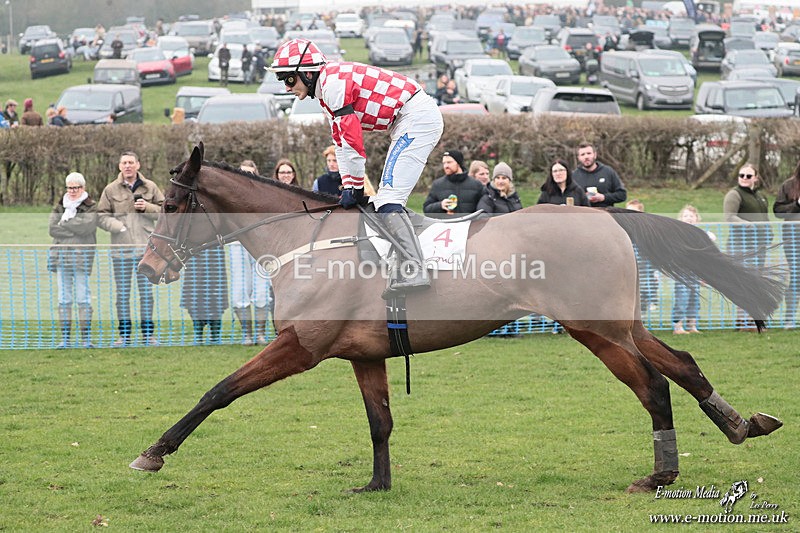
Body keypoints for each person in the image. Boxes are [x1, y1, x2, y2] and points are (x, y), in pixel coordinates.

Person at [270, 38, 443, 297]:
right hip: (408, 119)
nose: (286, 87)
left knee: (388, 200)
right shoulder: (326, 92)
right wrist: (349, 186)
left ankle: (415, 268)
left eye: (288, 79)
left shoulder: (332, 84)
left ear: (307, 73)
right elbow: (340, 144)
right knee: (385, 200)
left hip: (416, 118)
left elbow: (353, 142)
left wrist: (357, 187)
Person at [97, 151, 165, 346]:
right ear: (120, 167)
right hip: (121, 252)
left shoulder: (150, 187)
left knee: (146, 294)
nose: (127, 166)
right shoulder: (110, 190)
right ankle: (124, 335)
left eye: (131, 163)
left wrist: (148, 208)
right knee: (123, 295)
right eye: (124, 163)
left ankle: (148, 335)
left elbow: (166, 211)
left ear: (138, 165)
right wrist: (117, 227)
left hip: (147, 252)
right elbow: (100, 216)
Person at [48, 172, 97, 349]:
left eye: (76, 187)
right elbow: (52, 228)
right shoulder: (60, 205)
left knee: (83, 298)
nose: (72, 191)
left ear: (82, 188)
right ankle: (66, 339)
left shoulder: (91, 206)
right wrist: (73, 228)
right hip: (61, 258)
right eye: (70, 187)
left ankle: (85, 338)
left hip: (81, 258)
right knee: (64, 298)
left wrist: (65, 225)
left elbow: (87, 227)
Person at [723, 162, 772, 330]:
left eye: (748, 176)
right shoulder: (734, 194)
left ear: (755, 178)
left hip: (759, 246)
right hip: (741, 246)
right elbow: (729, 218)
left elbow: (765, 218)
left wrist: (769, 233)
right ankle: (743, 321)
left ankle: (754, 320)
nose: (744, 178)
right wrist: (748, 224)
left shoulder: (760, 196)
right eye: (741, 175)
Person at [229, 160, 272, 345]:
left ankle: (261, 334)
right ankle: (247, 334)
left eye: (250, 172)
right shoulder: (230, 196)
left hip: (261, 247)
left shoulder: (264, 194)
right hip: (238, 246)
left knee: (262, 292)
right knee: (239, 292)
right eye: (243, 172)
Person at [672, 205, 715, 334]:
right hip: (682, 273)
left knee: (694, 300)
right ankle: (678, 326)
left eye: (691, 216)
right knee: (682, 300)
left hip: (696, 273)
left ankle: (692, 325)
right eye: (685, 216)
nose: (688, 218)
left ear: (697, 219)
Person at [181, 247, 229, 344]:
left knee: (217, 295)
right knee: (194, 295)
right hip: (194, 252)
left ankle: (215, 335)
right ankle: (198, 335)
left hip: (214, 254)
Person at [773, 160, 800, 328]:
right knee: (796, 276)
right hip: (794, 238)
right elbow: (778, 210)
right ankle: (789, 318)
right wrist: (797, 205)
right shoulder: (789, 185)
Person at [423, 150, 484, 217]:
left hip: (470, 226)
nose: (446, 166)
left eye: (449, 162)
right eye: (444, 163)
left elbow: (483, 210)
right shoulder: (438, 185)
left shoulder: (476, 185)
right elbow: (426, 210)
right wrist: (440, 205)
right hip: (446, 226)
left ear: (458, 163)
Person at [626, 199, 659, 313]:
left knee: (646, 285)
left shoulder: (645, 228)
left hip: (644, 263)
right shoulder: (624, 226)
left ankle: (650, 302)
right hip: (630, 262)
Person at [572, 142, 627, 208]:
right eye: (583, 154)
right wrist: (583, 198)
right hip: (582, 215)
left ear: (595, 155)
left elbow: (622, 195)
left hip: (606, 214)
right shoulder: (574, 176)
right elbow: (568, 198)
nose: (586, 157)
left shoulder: (608, 172)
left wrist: (603, 197)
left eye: (589, 153)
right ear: (578, 158)